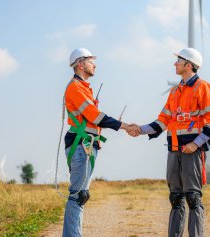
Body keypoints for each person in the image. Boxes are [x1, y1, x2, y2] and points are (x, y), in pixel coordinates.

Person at [128, 48, 210, 237]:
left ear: (189, 65)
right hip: (173, 150)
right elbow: (163, 121)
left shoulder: (203, 87)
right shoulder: (175, 91)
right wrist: (140, 129)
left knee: (193, 198)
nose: (174, 64)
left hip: (191, 152)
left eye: (178, 61)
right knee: (175, 198)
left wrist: (196, 144)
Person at [62, 48, 133, 237]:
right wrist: (124, 126)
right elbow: (95, 116)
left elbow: (93, 117)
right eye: (91, 61)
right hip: (81, 145)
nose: (95, 64)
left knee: (81, 196)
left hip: (87, 144)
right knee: (78, 196)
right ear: (80, 64)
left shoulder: (84, 88)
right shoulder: (75, 88)